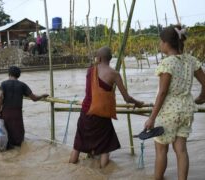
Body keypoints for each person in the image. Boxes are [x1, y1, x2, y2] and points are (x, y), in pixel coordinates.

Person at [143, 25, 205, 180]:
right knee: (181, 150)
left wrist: (151, 117)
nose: (159, 45)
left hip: (168, 112)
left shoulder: (167, 63)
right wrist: (202, 97)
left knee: (161, 150)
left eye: (160, 42)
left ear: (166, 43)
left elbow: (162, 93)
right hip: (186, 110)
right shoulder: (191, 60)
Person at [68, 46, 143, 168]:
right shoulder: (114, 74)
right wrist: (138, 103)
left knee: (78, 145)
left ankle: (70, 169)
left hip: (86, 112)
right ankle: (103, 173)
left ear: (100, 58)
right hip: (102, 114)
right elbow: (127, 98)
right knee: (105, 148)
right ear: (110, 58)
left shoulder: (90, 70)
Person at [0, 66, 49, 148]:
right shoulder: (22, 85)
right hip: (17, 113)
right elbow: (34, 98)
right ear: (18, 75)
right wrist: (42, 95)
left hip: (6, 112)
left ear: (9, 74)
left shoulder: (3, 84)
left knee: (6, 133)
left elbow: (0, 97)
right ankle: (18, 153)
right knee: (18, 136)